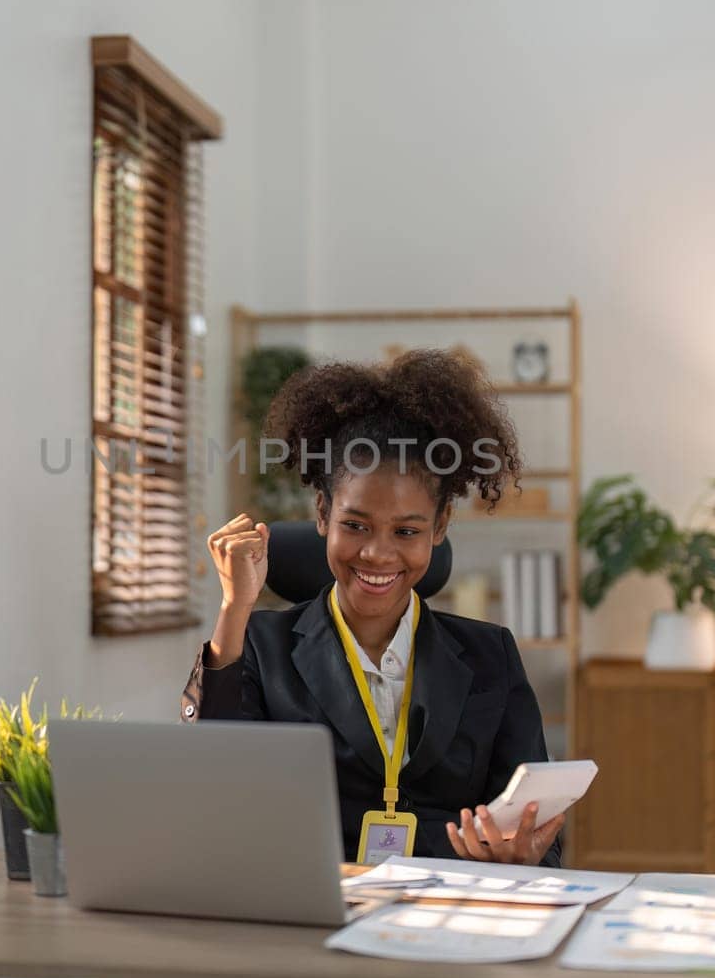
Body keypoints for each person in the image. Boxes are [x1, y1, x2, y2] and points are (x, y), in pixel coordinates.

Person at [180, 349, 564, 867]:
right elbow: (209, 776)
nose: (378, 554)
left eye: (406, 531)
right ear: (322, 512)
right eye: (355, 525)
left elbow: (537, 830)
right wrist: (234, 609)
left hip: (445, 905)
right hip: (315, 903)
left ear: (441, 526)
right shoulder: (260, 645)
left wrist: (520, 855)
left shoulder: (489, 655)